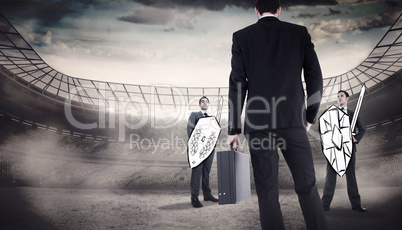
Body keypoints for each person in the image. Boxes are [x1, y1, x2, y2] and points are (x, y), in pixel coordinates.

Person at [227, 0, 328, 229]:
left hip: (258, 123)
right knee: (307, 186)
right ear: (279, 10)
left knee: (267, 191)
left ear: (256, 10)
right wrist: (310, 116)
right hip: (293, 120)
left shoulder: (242, 37)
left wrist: (234, 129)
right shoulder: (299, 33)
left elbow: (237, 84)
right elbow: (315, 79)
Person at [322, 90, 367, 212]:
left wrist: (355, 138)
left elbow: (362, 130)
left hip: (349, 150)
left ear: (347, 98)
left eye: (341, 96)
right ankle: (324, 205)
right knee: (330, 178)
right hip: (335, 150)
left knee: (351, 178)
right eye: (337, 96)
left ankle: (356, 205)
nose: (339, 98)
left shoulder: (353, 114)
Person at [187, 96, 219, 208]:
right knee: (197, 173)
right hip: (198, 150)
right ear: (199, 104)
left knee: (206, 173)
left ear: (208, 104)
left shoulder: (212, 118)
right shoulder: (194, 114)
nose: (204, 103)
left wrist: (212, 145)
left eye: (206, 102)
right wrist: (196, 146)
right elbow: (190, 130)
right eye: (202, 101)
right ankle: (194, 197)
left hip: (209, 150)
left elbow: (214, 133)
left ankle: (207, 195)